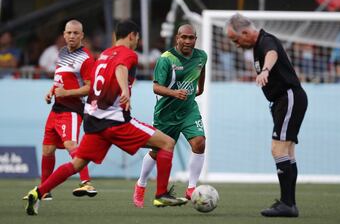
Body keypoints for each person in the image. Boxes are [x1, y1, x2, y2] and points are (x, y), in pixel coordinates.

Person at [24, 20, 187, 216]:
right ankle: (161, 194)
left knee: (76, 164)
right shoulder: (128, 54)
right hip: (116, 121)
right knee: (167, 143)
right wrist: (124, 89)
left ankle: (38, 192)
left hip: (94, 121)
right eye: (137, 37)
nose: (137, 41)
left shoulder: (103, 55)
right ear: (133, 36)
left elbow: (97, 82)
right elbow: (121, 68)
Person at [225, 13, 307, 218]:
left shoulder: (266, 41)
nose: (236, 44)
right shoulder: (257, 45)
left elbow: (272, 53)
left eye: (236, 40)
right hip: (283, 101)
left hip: (289, 97)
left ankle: (287, 204)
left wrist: (266, 70)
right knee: (287, 151)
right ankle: (289, 203)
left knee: (277, 148)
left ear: (245, 32)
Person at [133, 24, 207, 208]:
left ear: (195, 39)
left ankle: (191, 188)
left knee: (199, 142)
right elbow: (155, 87)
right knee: (157, 151)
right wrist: (175, 93)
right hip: (166, 113)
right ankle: (141, 184)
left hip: (189, 109)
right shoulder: (166, 59)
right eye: (184, 37)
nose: (188, 41)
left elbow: (201, 69)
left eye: (191, 38)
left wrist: (201, 88)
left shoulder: (201, 56)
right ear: (177, 38)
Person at [25, 20, 97, 201]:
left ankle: (86, 182)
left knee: (70, 145)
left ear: (82, 35)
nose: (71, 36)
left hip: (72, 109)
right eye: (69, 33)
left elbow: (90, 88)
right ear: (64, 35)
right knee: (47, 149)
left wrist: (67, 93)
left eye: (75, 33)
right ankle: (44, 190)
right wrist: (51, 91)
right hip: (56, 108)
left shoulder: (86, 58)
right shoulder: (62, 53)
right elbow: (59, 80)